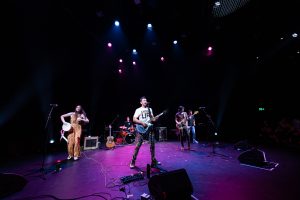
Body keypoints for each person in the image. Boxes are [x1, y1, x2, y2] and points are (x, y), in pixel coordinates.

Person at [129, 96, 161, 168]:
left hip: (150, 129)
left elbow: (152, 119)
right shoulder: (138, 110)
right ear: (141, 102)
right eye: (144, 100)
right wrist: (142, 123)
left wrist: (155, 119)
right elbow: (134, 119)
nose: (145, 101)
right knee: (137, 146)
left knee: (152, 145)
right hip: (141, 129)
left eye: (146, 100)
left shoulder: (150, 109)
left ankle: (153, 161)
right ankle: (133, 161)